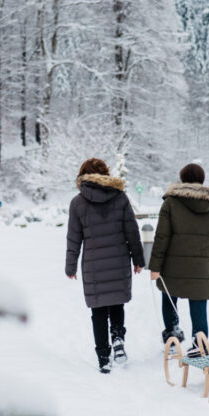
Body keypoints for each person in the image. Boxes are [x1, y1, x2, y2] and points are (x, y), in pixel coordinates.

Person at [66, 158, 145, 373]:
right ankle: (118, 338)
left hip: (93, 264)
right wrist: (138, 259)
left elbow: (74, 238)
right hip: (119, 260)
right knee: (117, 303)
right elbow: (132, 231)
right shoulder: (120, 198)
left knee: (98, 310)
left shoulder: (78, 203)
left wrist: (70, 266)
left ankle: (103, 357)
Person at [148, 163, 209, 357]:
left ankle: (172, 339)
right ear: (202, 179)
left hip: (172, 265)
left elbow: (162, 236)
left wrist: (155, 266)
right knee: (198, 304)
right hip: (201, 267)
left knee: (169, 296)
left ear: (182, 179)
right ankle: (200, 344)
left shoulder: (171, 203)